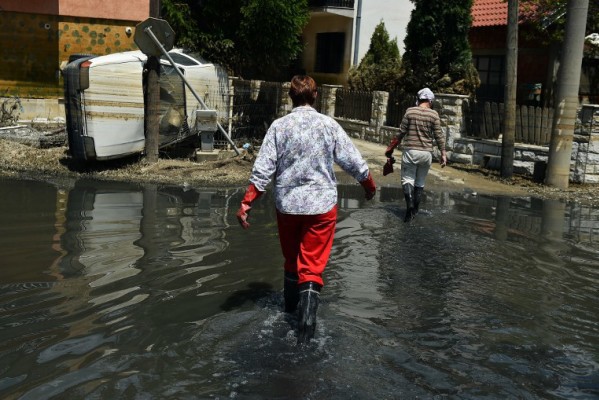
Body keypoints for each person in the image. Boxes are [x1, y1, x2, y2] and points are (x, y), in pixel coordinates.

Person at [236, 75, 376, 344]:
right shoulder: (328, 125)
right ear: (315, 96)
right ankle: (306, 333)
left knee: (291, 261)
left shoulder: (279, 127)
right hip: (321, 207)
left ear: (290, 97)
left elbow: (263, 169)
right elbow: (354, 160)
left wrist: (246, 203)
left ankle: (288, 313)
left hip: (288, 205)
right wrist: (369, 186)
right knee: (311, 267)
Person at [385, 88, 447, 222]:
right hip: (426, 154)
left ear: (418, 99)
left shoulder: (410, 111)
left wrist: (390, 149)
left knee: (407, 180)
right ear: (430, 101)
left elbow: (400, 133)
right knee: (419, 182)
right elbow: (439, 136)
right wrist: (443, 154)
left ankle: (409, 208)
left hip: (411, 152)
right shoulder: (434, 115)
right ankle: (415, 212)